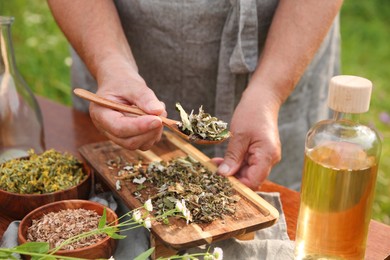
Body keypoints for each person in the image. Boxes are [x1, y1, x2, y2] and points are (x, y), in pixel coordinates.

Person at [48, 0, 342, 190]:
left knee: (282, 197)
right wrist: (111, 64)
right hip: (120, 44)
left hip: (287, 47)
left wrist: (270, 91)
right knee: (128, 194)